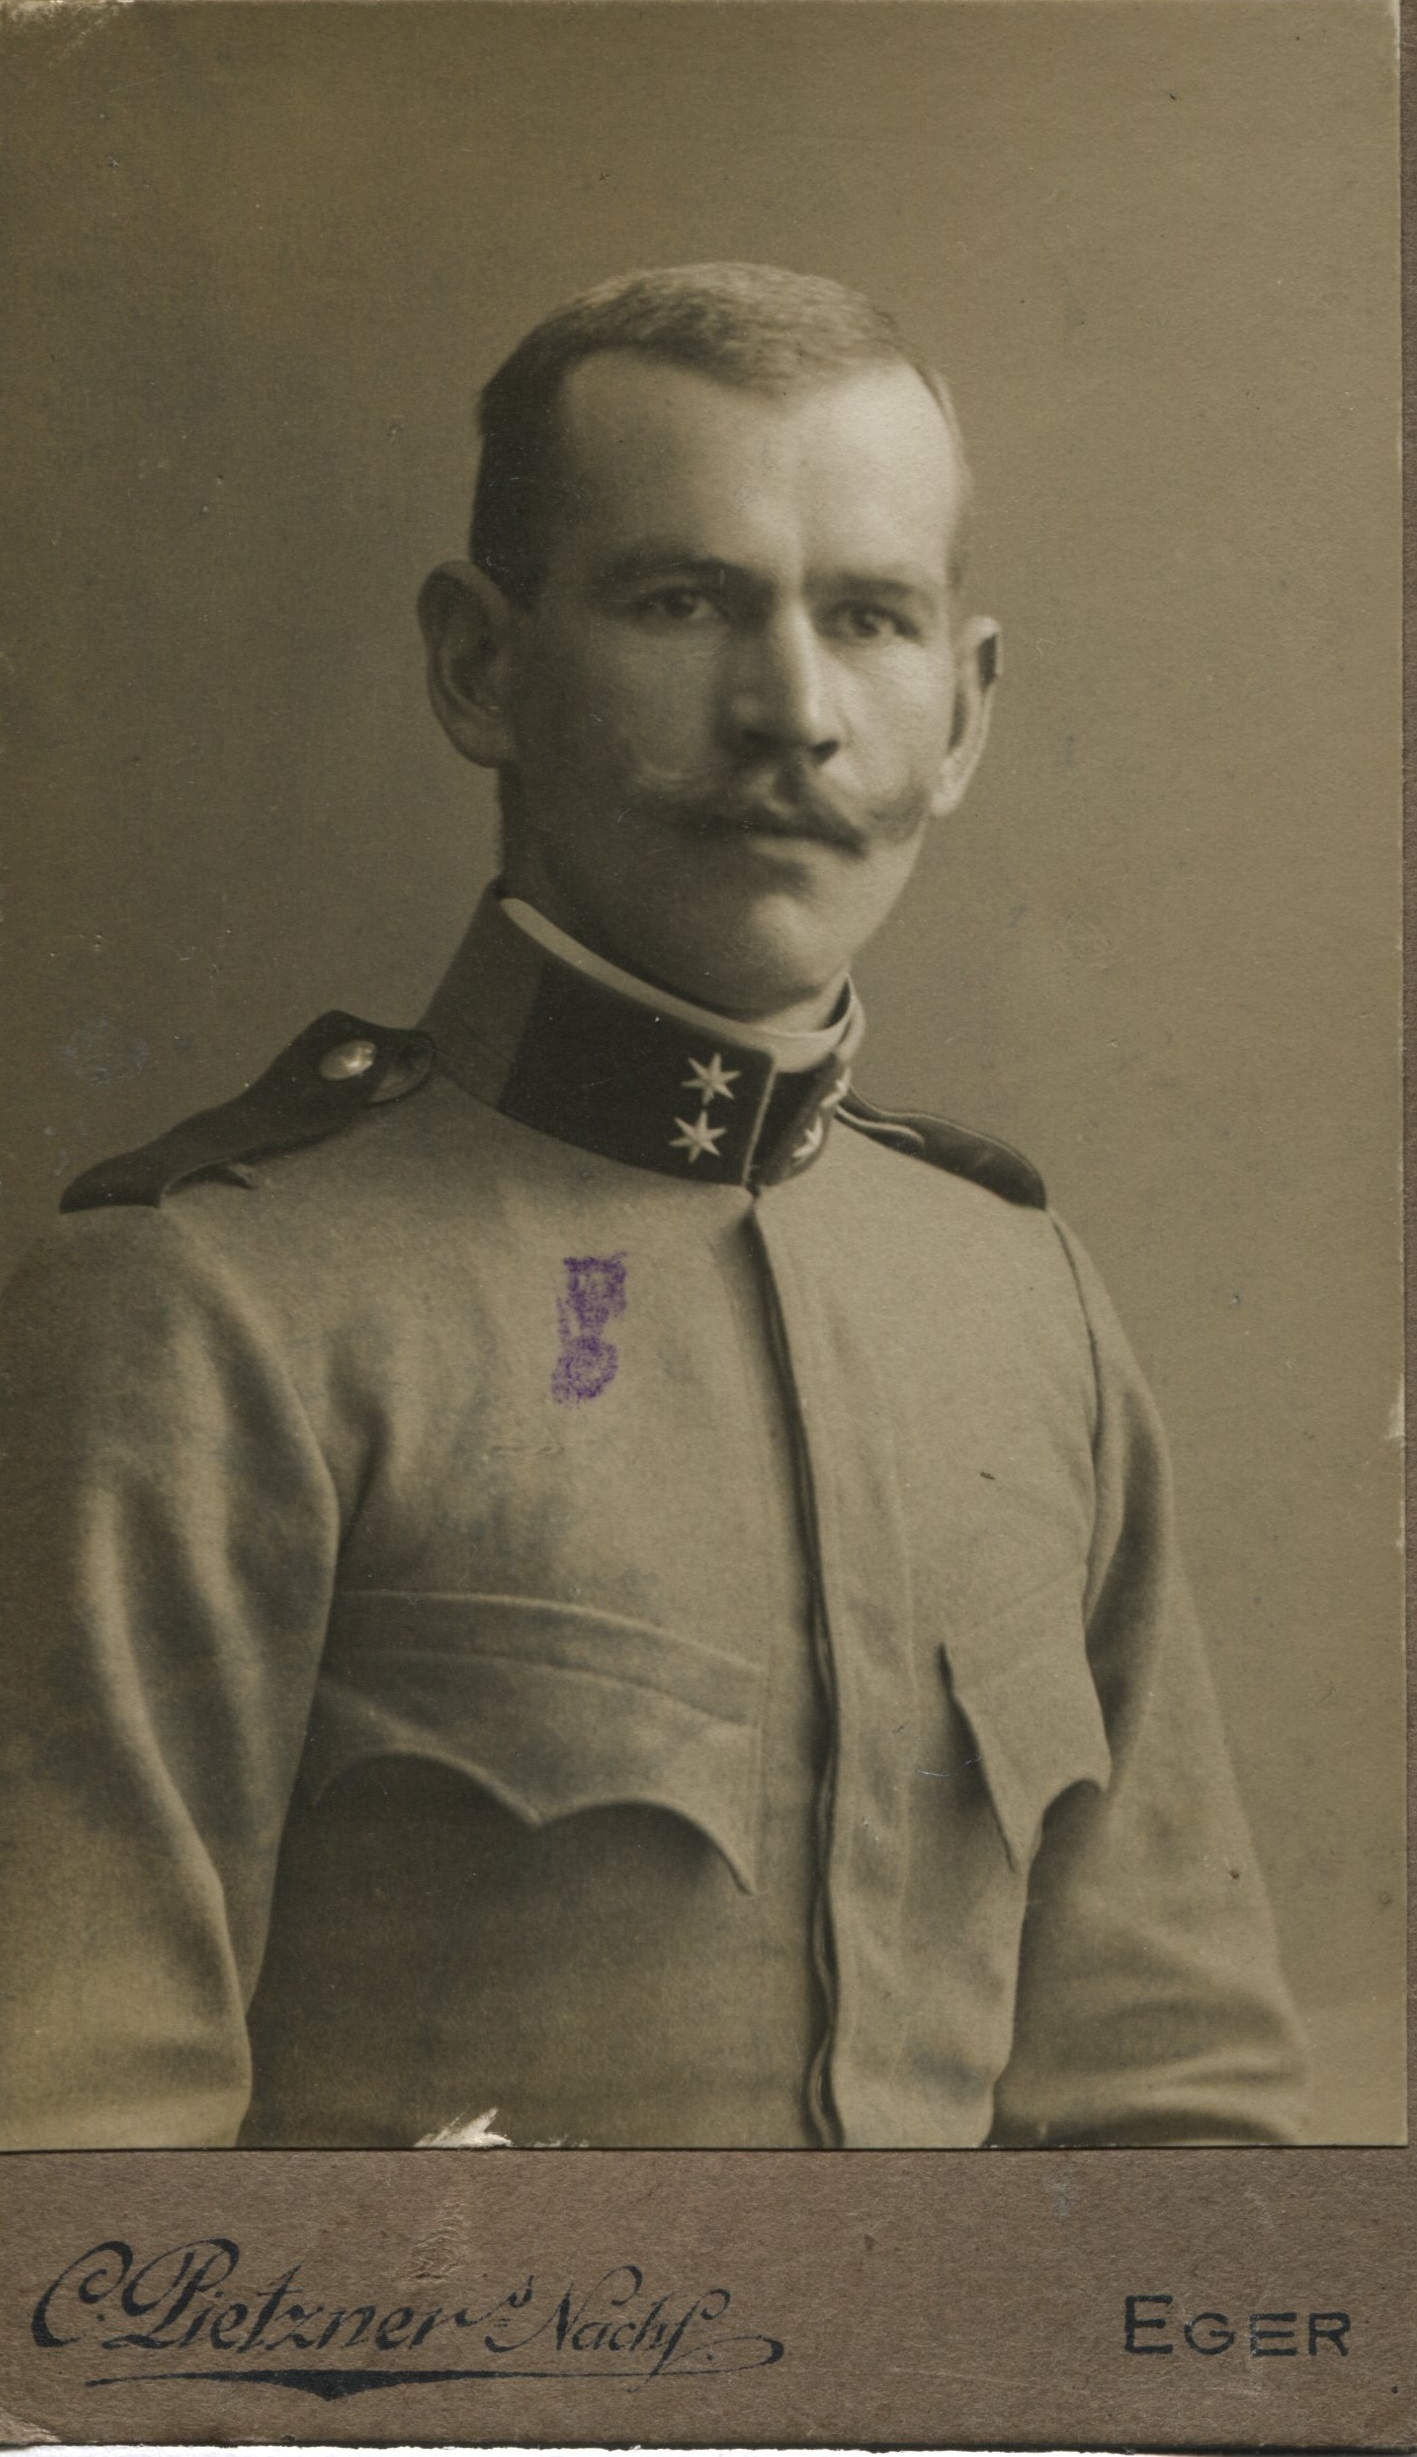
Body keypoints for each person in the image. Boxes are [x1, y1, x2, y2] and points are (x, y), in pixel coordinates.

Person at [0, 262, 1307, 2150]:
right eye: (683, 601)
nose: (792, 713)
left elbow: (1179, 2132)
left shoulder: (1023, 1305)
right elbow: (67, 2208)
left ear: (962, 711)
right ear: (481, 665)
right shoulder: (203, 1310)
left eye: (868, 617)